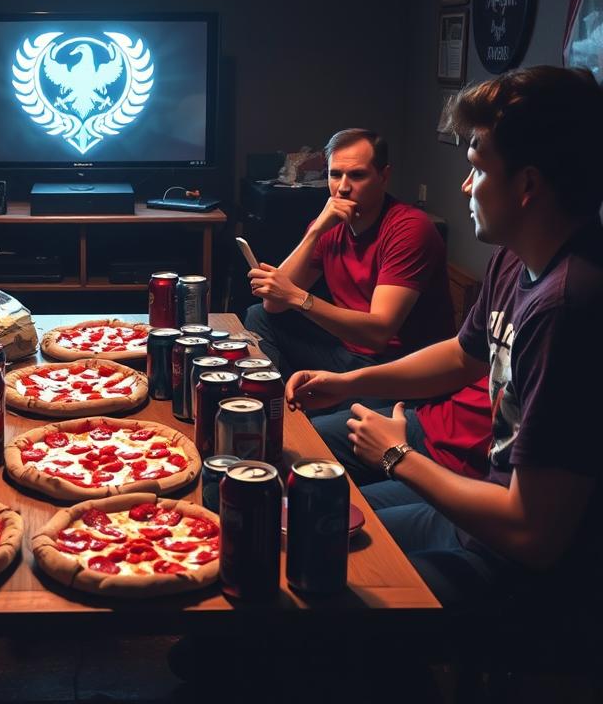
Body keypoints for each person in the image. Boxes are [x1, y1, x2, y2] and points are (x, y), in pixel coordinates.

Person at [286, 66, 603, 606]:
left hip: (521, 571)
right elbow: (461, 355)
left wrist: (398, 457)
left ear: (527, 185)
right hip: (477, 517)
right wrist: (349, 381)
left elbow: (535, 537)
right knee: (307, 526)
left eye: (476, 167)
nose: (464, 185)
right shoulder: (514, 257)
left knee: (331, 593)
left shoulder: (567, 305)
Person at [244, 128, 455, 381]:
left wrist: (299, 298)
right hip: (347, 352)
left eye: (357, 175)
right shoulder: (327, 226)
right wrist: (316, 231)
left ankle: (308, 412)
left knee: (324, 421)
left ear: (383, 176)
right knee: (259, 315)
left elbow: (379, 334)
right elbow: (274, 303)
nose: (343, 188)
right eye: (335, 175)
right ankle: (285, 404)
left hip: (399, 369)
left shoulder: (410, 228)